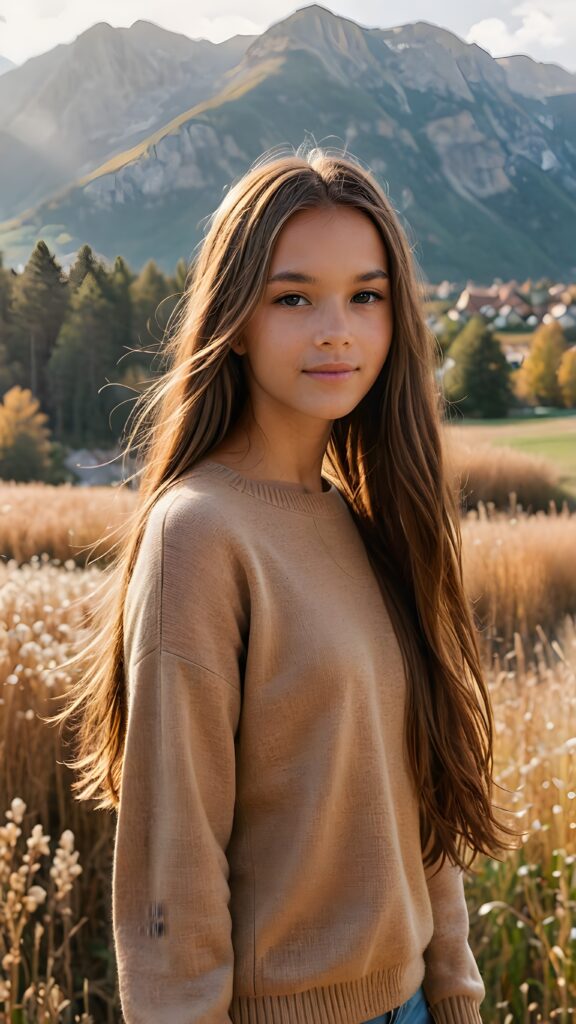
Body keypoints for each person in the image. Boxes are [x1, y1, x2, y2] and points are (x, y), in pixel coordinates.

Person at [46, 142, 521, 1024]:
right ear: (235, 315)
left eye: (365, 296)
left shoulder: (369, 522)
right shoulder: (199, 533)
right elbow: (172, 868)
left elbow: (418, 805)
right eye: (293, 297)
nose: (335, 329)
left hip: (412, 1005)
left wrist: (455, 995)